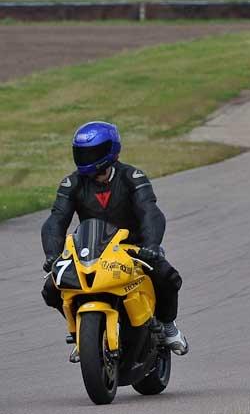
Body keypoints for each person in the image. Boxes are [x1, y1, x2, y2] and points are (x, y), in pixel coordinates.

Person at [41, 121, 188, 362]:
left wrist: (151, 245)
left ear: (111, 151)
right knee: (51, 288)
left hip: (133, 247)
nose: (86, 158)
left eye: (93, 152)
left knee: (168, 277)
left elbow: (150, 211)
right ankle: (81, 334)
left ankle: (168, 326)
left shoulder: (132, 177)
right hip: (90, 249)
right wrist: (52, 254)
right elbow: (56, 220)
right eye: (81, 152)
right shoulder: (72, 183)